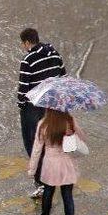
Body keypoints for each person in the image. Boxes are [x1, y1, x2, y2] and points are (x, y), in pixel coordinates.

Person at [17, 28, 66, 198]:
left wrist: (21, 105)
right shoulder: (54, 53)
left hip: (34, 107)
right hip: (52, 104)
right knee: (50, 141)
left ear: (27, 42)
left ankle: (41, 182)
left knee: (33, 143)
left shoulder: (28, 60)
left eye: (23, 44)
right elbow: (63, 74)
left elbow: (23, 88)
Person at [28, 109, 86, 215]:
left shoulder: (43, 124)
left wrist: (32, 169)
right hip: (66, 163)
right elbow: (83, 137)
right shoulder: (69, 121)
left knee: (48, 192)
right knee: (67, 196)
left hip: (50, 164)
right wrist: (73, 132)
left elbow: (37, 149)